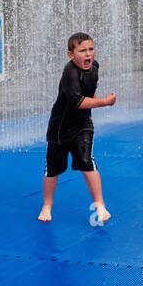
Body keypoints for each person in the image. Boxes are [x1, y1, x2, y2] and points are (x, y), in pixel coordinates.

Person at [39, 32, 115, 223]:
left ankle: (100, 205)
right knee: (53, 169)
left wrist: (97, 100)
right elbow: (78, 101)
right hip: (60, 128)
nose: (88, 54)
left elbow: (89, 90)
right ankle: (47, 205)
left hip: (82, 124)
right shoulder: (70, 72)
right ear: (71, 55)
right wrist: (104, 102)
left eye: (91, 49)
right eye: (82, 51)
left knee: (86, 160)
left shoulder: (94, 67)